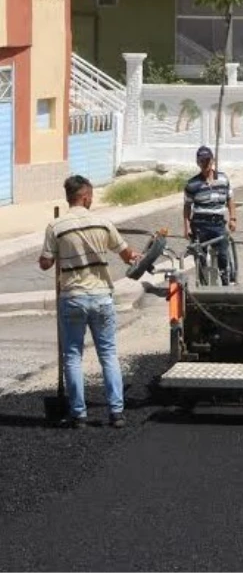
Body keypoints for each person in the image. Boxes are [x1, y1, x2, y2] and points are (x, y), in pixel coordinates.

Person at [38, 175, 141, 429]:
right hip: (101, 297)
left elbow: (45, 263)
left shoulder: (56, 226)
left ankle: (79, 414)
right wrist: (134, 256)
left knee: (72, 356)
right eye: (91, 196)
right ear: (84, 196)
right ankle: (116, 412)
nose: (92, 200)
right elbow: (127, 254)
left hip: (72, 298)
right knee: (108, 354)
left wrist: (54, 257)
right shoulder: (103, 223)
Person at [183, 145, 237, 285]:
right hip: (200, 225)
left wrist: (232, 219)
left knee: (223, 254)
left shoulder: (223, 179)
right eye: (202, 161)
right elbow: (187, 207)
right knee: (200, 256)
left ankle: (226, 281)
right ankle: (203, 285)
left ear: (213, 161)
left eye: (207, 160)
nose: (205, 164)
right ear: (198, 163)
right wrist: (187, 227)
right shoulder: (192, 184)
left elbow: (230, 199)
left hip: (218, 223)